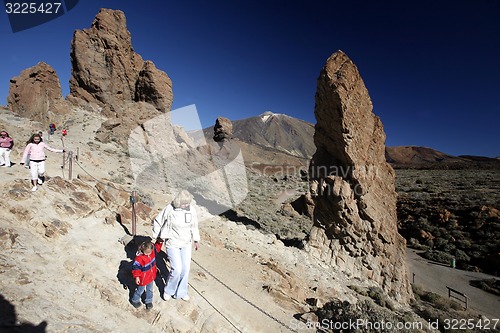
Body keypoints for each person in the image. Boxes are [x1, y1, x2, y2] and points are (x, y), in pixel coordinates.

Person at [153, 190, 200, 301]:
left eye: (188, 203)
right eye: (184, 203)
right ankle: (169, 290)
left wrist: (196, 240)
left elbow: (194, 226)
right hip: (172, 243)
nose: (186, 205)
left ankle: (181, 292)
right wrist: (156, 236)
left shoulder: (191, 210)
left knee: (185, 269)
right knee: (177, 269)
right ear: (178, 201)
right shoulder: (170, 208)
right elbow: (158, 221)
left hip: (186, 243)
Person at [130, 240, 162, 310]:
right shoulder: (139, 258)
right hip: (143, 278)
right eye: (146, 253)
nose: (148, 254)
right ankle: (135, 300)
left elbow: (157, 248)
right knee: (140, 290)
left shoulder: (152, 251)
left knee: (150, 289)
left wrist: (159, 242)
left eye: (149, 253)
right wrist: (137, 277)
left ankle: (148, 301)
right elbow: (136, 268)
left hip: (151, 276)